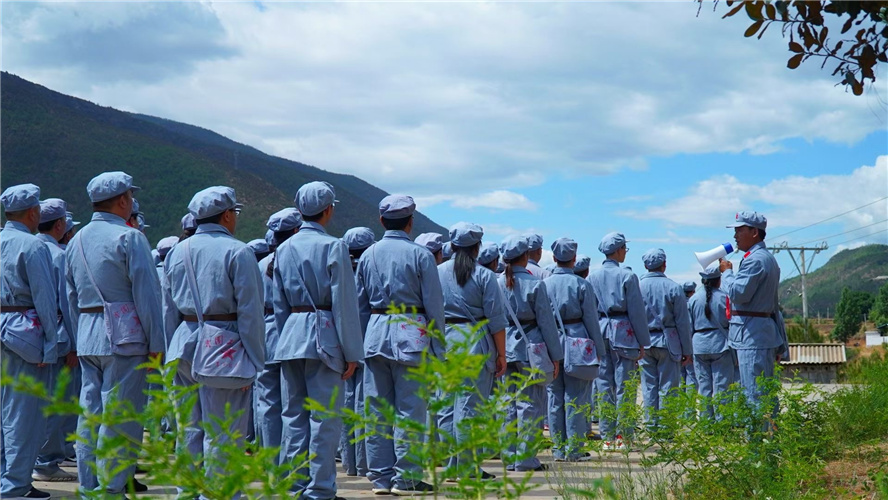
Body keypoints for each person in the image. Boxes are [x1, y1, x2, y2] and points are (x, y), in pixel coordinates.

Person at [162, 186, 265, 496]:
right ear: (226, 215)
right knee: (224, 432)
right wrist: (255, 360)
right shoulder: (239, 251)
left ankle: (187, 492)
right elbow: (250, 313)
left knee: (188, 430)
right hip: (225, 345)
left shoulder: (177, 251)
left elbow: (168, 309)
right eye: (234, 213)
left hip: (183, 344)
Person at [65, 172, 164, 496]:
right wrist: (157, 345)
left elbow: (69, 298)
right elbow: (147, 297)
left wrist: (77, 336)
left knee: (90, 415)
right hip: (126, 337)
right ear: (123, 200)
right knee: (119, 418)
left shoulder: (75, 239)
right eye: (131, 197)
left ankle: (88, 487)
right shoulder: (130, 237)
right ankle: (110, 489)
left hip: (88, 335)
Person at [273, 181, 363, 500]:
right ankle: (321, 488)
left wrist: (286, 340)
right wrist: (351, 352)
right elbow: (343, 305)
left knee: (293, 416)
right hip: (323, 336)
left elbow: (279, 304)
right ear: (328, 210)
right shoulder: (333, 245)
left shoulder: (283, 248)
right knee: (324, 419)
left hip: (291, 338)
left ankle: (295, 485)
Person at [356, 194, 445, 495]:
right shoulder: (420, 255)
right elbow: (434, 305)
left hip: (376, 333)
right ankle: (405, 478)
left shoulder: (368, 254)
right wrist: (439, 349)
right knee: (410, 409)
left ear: (381, 221)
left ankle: (380, 478)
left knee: (377, 409)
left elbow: (360, 305)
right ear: (411, 222)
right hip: (412, 333)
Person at [1, 184, 59, 499]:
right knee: (23, 416)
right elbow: (44, 300)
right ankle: (15, 486)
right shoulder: (33, 246)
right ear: (34, 212)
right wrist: (51, 343)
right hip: (23, 332)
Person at [437, 222, 507, 479]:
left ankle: (451, 466)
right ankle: (466, 467)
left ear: (452, 246)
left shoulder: (437, 272)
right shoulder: (486, 276)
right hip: (475, 343)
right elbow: (496, 320)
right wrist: (501, 355)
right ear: (477, 248)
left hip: (444, 341)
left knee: (446, 405)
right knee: (469, 406)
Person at [498, 235, 563, 471]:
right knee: (530, 405)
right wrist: (555, 356)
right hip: (531, 350)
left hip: (504, 347)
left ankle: (509, 456)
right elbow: (547, 323)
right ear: (525, 257)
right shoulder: (535, 284)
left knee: (507, 403)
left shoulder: (495, 282)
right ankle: (525, 459)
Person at [720, 211, 788, 415]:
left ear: (754, 233)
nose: (735, 236)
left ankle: (756, 445)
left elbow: (738, 293)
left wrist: (727, 273)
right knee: (765, 393)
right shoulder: (766, 258)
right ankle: (770, 441)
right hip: (761, 332)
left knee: (753, 393)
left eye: (740, 230)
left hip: (751, 335)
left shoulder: (754, 260)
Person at [586, 232, 650, 452]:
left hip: (601, 332)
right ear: (619, 250)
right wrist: (643, 342)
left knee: (603, 388)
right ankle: (624, 436)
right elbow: (637, 313)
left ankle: (606, 437)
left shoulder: (592, 277)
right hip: (624, 334)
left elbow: (589, 310)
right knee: (625, 388)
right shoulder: (628, 276)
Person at [543, 238, 605, 462]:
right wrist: (599, 349)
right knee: (577, 397)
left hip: (551, 342)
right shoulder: (582, 285)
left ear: (553, 258)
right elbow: (591, 319)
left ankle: (558, 449)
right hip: (577, 342)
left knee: (554, 398)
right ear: (574, 259)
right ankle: (575, 450)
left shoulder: (545, 283)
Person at [32, 199, 78, 483]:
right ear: (59, 225)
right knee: (59, 401)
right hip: (58, 338)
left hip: (22, 336)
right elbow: (67, 303)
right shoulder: (58, 255)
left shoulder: (23, 245)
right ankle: (47, 461)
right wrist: (74, 343)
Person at [254, 208, 302, 463]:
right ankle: (292, 463)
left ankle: (271, 462)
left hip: (265, 334)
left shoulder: (260, 264)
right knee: (292, 405)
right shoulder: (295, 259)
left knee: (267, 403)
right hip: (290, 334)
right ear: (296, 231)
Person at [637, 248, 692, 432]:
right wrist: (687, 351)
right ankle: (666, 428)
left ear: (645, 265)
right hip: (669, 341)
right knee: (668, 386)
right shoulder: (674, 287)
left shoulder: (637, 286)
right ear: (664, 264)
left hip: (644, 341)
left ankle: (651, 425)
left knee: (648, 385)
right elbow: (683, 323)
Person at [339, 226, 375, 478]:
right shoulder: (370, 269)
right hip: (367, 341)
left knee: (345, 401)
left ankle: (349, 463)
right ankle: (364, 463)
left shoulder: (340, 269)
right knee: (365, 403)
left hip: (339, 342)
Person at [689, 263, 733, 420]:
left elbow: (689, 326)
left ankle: (706, 423)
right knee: (722, 386)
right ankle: (722, 423)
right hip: (720, 344)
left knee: (704, 387)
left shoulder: (693, 299)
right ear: (718, 280)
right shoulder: (724, 297)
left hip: (699, 345)